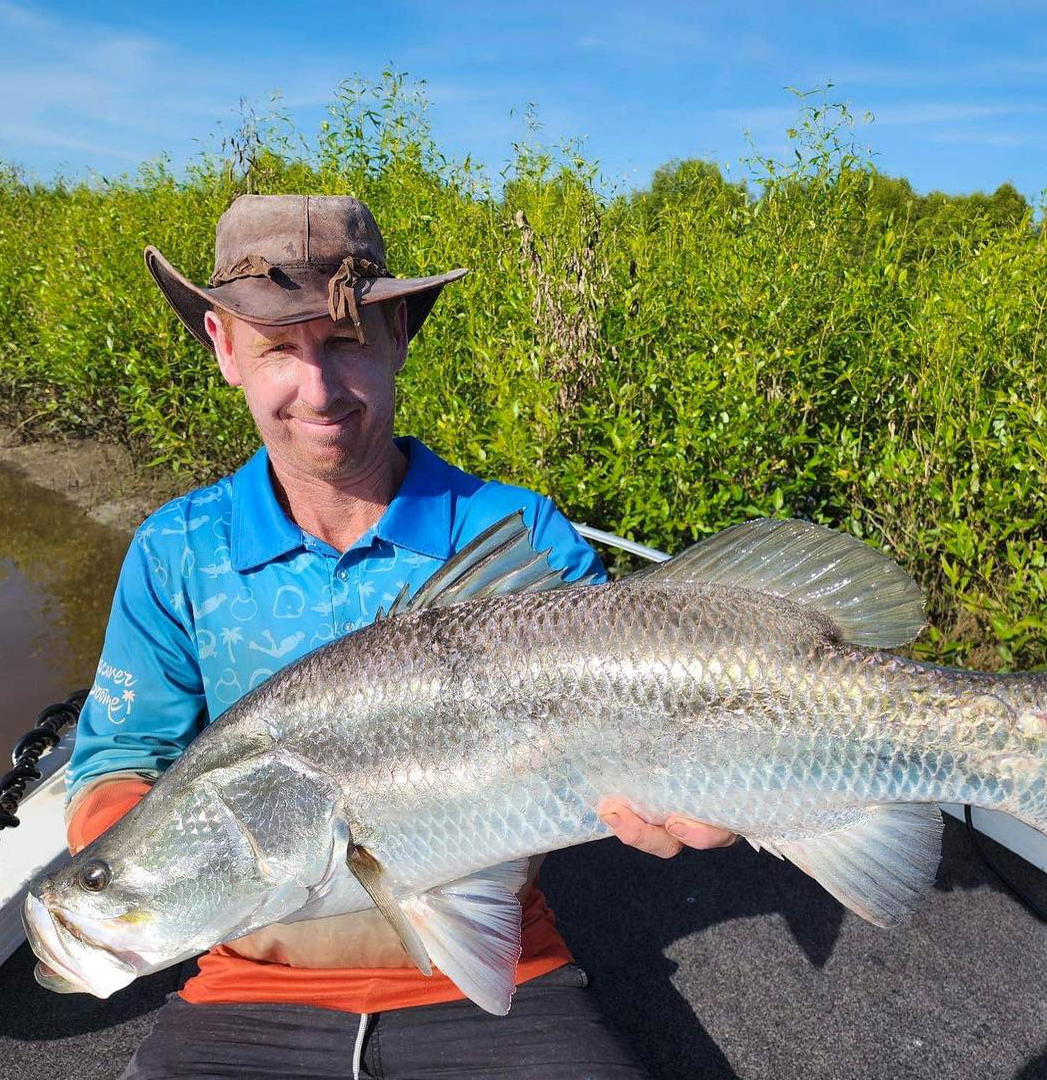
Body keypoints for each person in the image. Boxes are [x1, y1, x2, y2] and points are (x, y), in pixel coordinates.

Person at [63, 194, 734, 1079]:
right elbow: (117, 758)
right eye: (277, 349)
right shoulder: (177, 552)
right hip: (246, 986)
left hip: (502, 973)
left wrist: (713, 784)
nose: (318, 389)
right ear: (225, 349)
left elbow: (628, 711)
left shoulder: (516, 535)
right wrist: (145, 876)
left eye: (343, 342)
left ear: (397, 337)